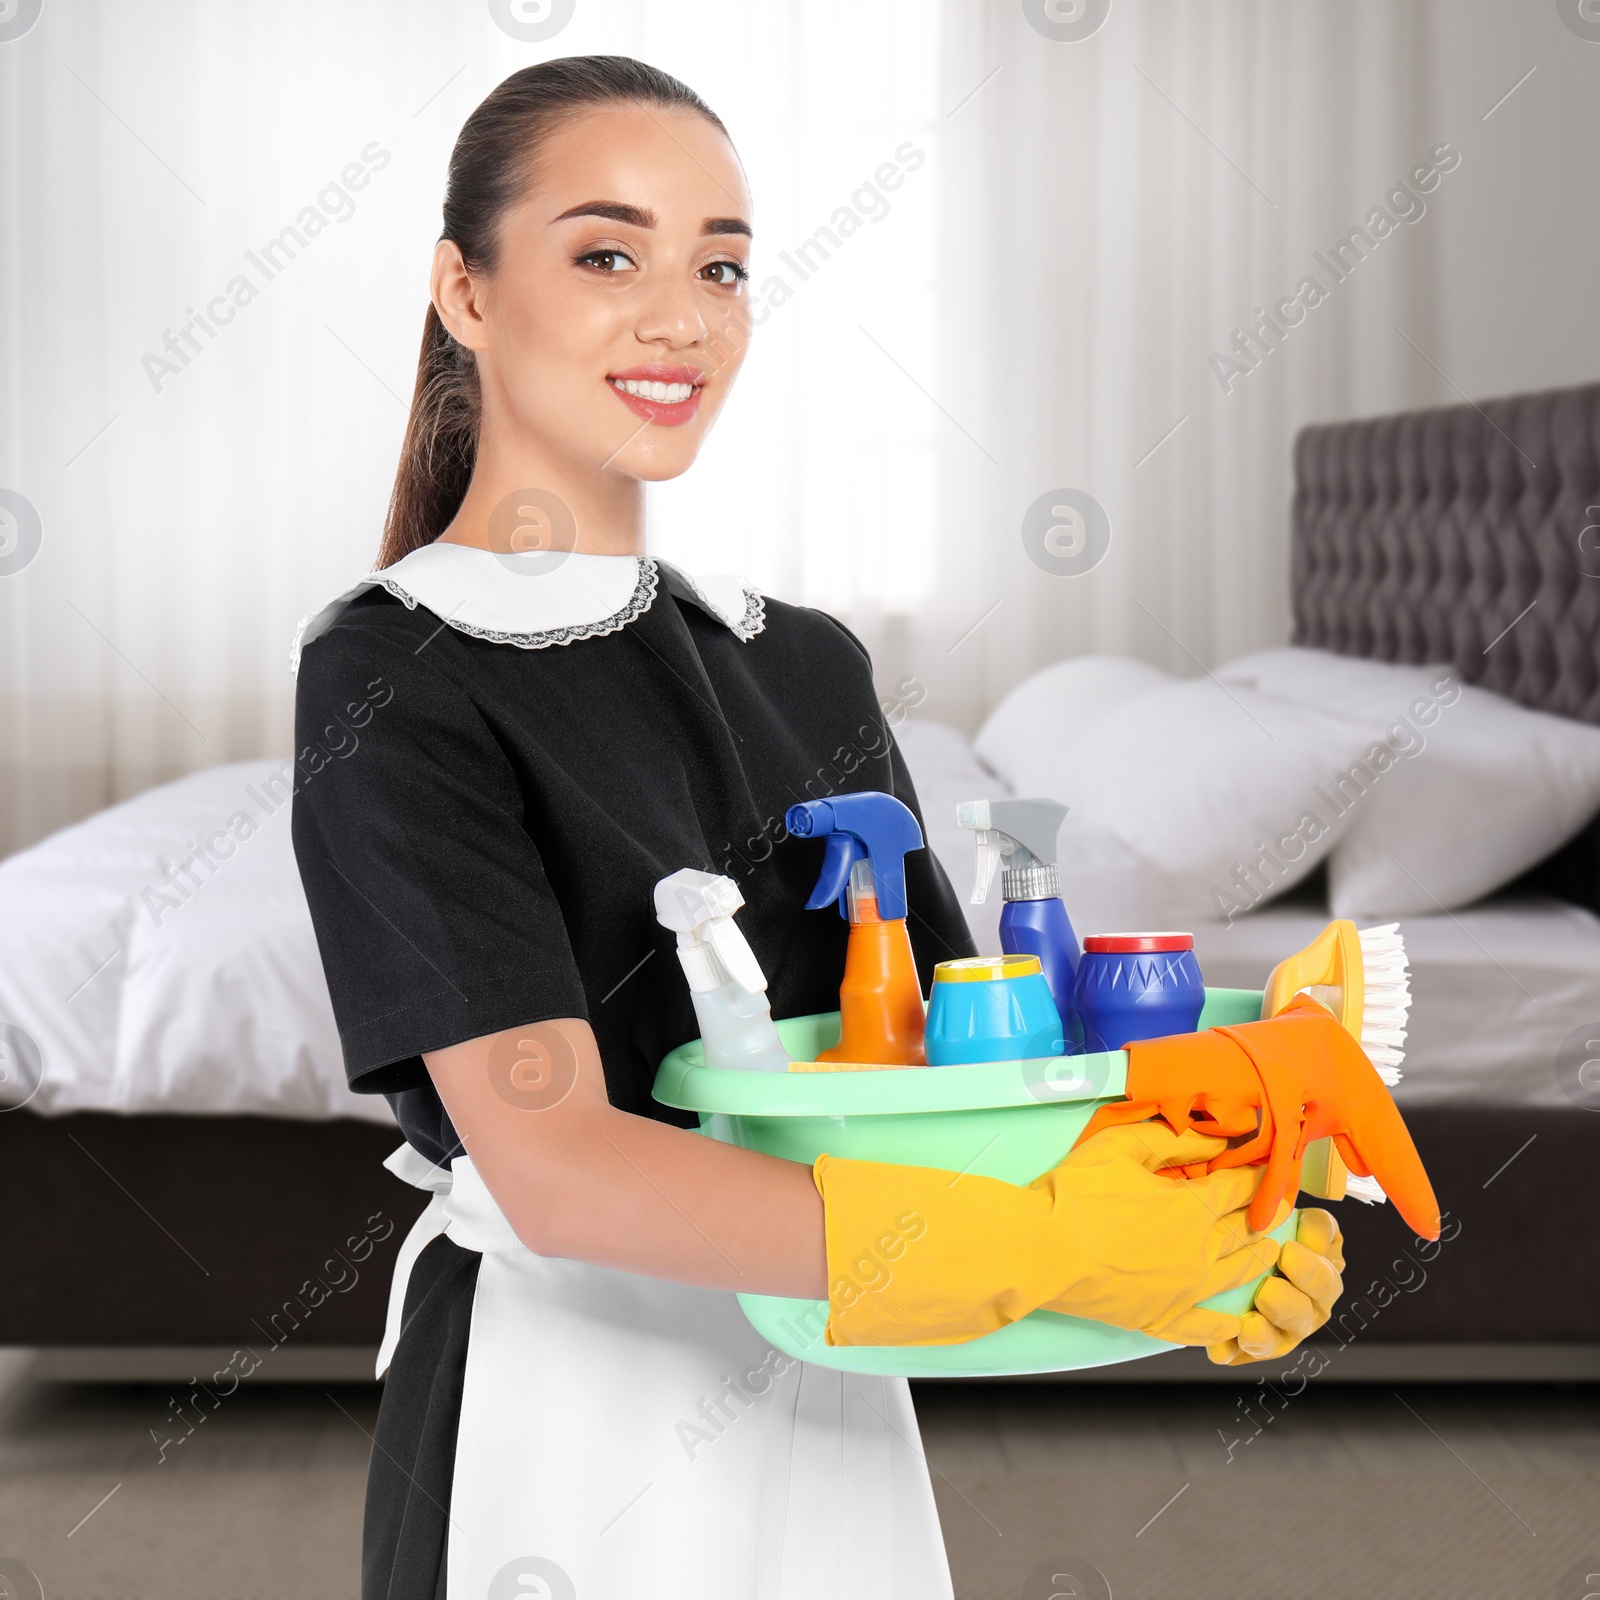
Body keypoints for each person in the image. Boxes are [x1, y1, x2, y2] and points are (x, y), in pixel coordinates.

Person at [289, 55, 1344, 1600]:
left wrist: (1212, 1229)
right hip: (568, 1417)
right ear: (464, 291)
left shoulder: (806, 662)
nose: (683, 316)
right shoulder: (394, 668)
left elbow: (951, 1087)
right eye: (607, 254)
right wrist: (1046, 1248)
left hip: (841, 1373)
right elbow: (559, 1168)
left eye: (721, 265)